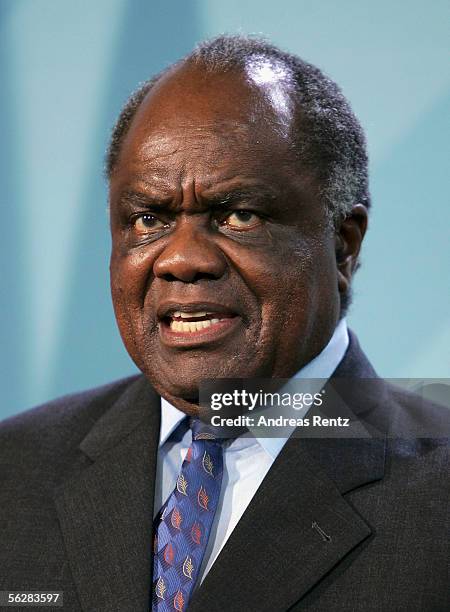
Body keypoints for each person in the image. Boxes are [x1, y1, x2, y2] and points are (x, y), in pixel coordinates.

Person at [0, 36, 448, 612]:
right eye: (147, 219)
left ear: (343, 245)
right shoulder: (15, 473)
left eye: (239, 214)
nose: (182, 259)